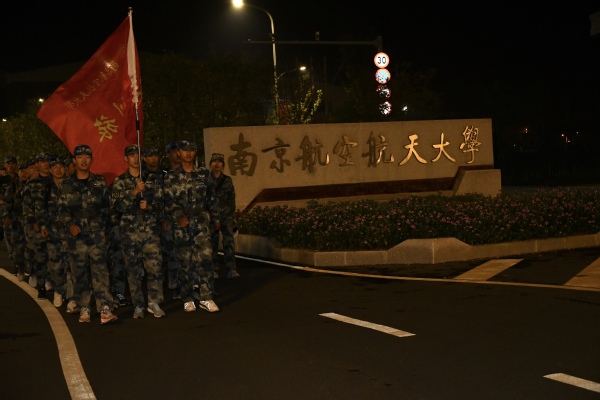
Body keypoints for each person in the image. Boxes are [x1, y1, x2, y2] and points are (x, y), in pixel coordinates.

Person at [57, 144, 117, 324]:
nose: (83, 160)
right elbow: (62, 209)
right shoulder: (65, 184)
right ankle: (84, 307)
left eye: (87, 157)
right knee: (79, 273)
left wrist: (107, 231)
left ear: (92, 160)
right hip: (76, 237)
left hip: (97, 234)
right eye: (80, 157)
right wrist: (70, 224)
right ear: (74, 161)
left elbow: (106, 208)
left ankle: (105, 307)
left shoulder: (99, 182)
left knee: (101, 272)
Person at [164, 139, 218, 312]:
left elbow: (212, 197)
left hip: (201, 221)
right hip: (182, 224)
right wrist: (179, 216)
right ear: (178, 152)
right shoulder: (171, 177)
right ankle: (187, 297)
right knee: (185, 262)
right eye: (184, 150)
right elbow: (169, 200)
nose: (188, 153)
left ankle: (206, 297)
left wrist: (215, 218)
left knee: (205, 259)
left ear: (195, 152)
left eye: (192, 150)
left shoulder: (204, 174)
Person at [112, 144, 166, 319]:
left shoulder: (152, 179)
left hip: (150, 230)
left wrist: (148, 206)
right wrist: (134, 192)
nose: (135, 158)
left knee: (154, 267)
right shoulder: (120, 181)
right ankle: (138, 304)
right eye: (131, 155)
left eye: (138, 155)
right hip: (130, 232)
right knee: (133, 270)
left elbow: (161, 204)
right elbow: (118, 206)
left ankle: (154, 302)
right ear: (126, 159)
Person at [24, 152, 53, 299]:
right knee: (40, 256)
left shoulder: (57, 181)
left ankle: (57, 285)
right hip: (38, 225)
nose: (46, 164)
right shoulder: (31, 185)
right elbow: (27, 207)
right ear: (37, 165)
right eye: (42, 161)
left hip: (56, 225)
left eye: (48, 161)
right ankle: (41, 285)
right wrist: (33, 222)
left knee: (57, 256)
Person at [44, 157, 71, 307]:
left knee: (70, 263)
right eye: (55, 167)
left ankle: (71, 295)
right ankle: (59, 291)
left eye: (61, 166)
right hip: (52, 230)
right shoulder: (46, 188)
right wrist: (42, 226)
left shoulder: (71, 186)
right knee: (55, 263)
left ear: (65, 169)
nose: (58, 169)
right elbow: (40, 209)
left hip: (69, 230)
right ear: (50, 170)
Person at [208, 153, 239, 279]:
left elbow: (232, 198)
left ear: (223, 165)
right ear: (210, 164)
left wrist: (232, 216)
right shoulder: (206, 180)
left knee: (228, 242)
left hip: (226, 216)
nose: (217, 164)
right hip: (212, 216)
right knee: (212, 243)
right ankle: (213, 268)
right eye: (214, 161)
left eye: (219, 162)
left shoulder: (227, 180)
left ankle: (231, 268)